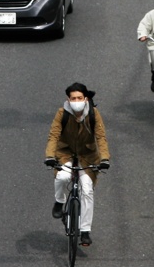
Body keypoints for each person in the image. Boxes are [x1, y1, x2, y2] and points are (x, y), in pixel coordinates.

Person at [44, 83, 110, 248]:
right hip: (65, 153)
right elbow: (53, 136)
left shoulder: (94, 114)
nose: (76, 101)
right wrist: (50, 156)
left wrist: (104, 159)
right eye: (73, 98)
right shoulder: (62, 114)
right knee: (62, 176)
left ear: (85, 98)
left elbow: (101, 138)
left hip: (88, 156)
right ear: (68, 99)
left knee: (87, 189)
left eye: (79, 98)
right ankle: (59, 201)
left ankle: (85, 230)